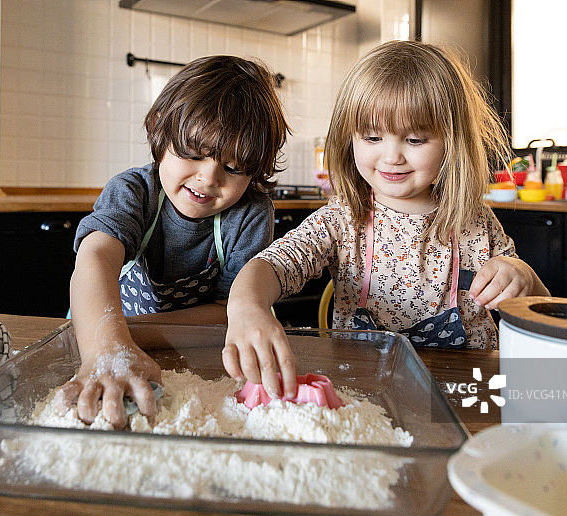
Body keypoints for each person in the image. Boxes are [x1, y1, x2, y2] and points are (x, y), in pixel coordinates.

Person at [222, 40, 549, 400]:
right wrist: (246, 307)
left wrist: (525, 279)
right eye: (373, 136)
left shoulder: (476, 223)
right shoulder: (344, 220)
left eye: (415, 139)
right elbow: (273, 264)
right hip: (368, 392)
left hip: (467, 392)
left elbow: (538, 312)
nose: (391, 156)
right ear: (351, 138)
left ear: (452, 142)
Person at [56, 55, 289, 428]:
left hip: (186, 353)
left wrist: (132, 334)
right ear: (159, 133)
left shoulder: (250, 215)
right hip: (94, 341)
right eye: (193, 154)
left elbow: (227, 311)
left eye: (232, 167)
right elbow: (95, 257)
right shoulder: (135, 193)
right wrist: (106, 347)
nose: (209, 177)